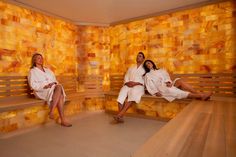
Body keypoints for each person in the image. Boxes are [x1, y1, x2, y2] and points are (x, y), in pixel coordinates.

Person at [28, 53, 72, 127]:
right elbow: (33, 85)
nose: (41, 59)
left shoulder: (48, 70)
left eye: (41, 58)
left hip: (52, 89)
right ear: (34, 60)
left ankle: (52, 112)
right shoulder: (32, 71)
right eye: (38, 58)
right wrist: (45, 86)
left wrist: (53, 83)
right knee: (59, 93)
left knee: (58, 87)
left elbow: (55, 80)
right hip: (41, 91)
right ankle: (62, 119)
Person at [143, 60, 212, 102]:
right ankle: (201, 96)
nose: (148, 65)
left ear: (152, 63)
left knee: (179, 80)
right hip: (161, 88)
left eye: (149, 63)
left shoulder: (161, 70)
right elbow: (150, 85)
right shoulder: (148, 75)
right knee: (173, 91)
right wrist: (156, 92)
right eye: (146, 65)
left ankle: (198, 94)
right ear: (146, 67)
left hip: (167, 84)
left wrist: (169, 82)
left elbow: (167, 77)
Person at [113, 52, 146, 123]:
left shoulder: (145, 69)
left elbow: (145, 79)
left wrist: (136, 83)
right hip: (128, 85)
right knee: (121, 96)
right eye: (137, 56)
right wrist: (127, 82)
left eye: (140, 56)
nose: (138, 57)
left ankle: (119, 115)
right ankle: (120, 117)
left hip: (138, 86)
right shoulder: (131, 67)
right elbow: (126, 76)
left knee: (132, 95)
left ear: (143, 59)